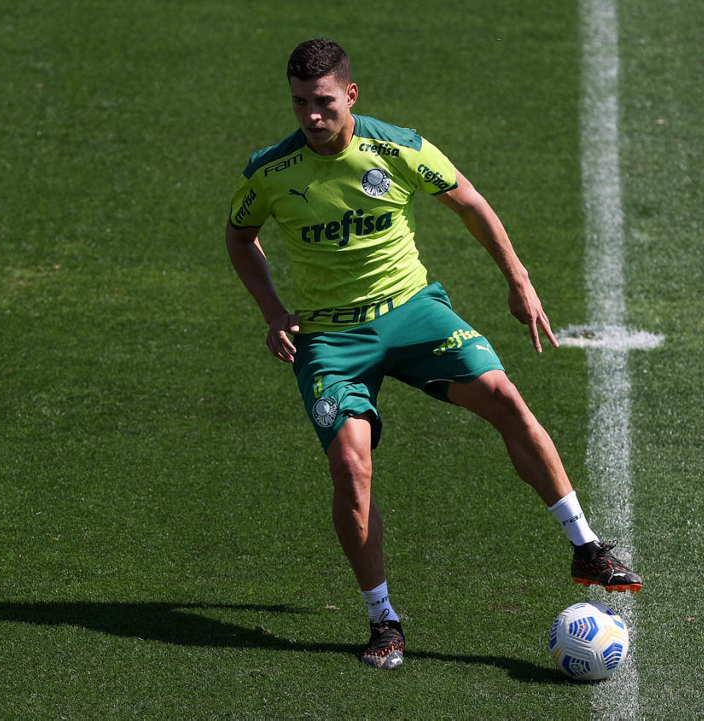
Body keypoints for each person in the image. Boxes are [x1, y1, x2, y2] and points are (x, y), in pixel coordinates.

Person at [225, 38, 641, 671]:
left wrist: (519, 280)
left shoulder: (397, 148)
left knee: (503, 396)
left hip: (412, 312)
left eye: (324, 101)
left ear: (351, 95)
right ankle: (383, 619)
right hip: (332, 338)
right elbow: (239, 236)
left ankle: (586, 548)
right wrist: (272, 310)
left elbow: (469, 201)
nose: (311, 115)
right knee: (351, 469)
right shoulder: (270, 171)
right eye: (300, 102)